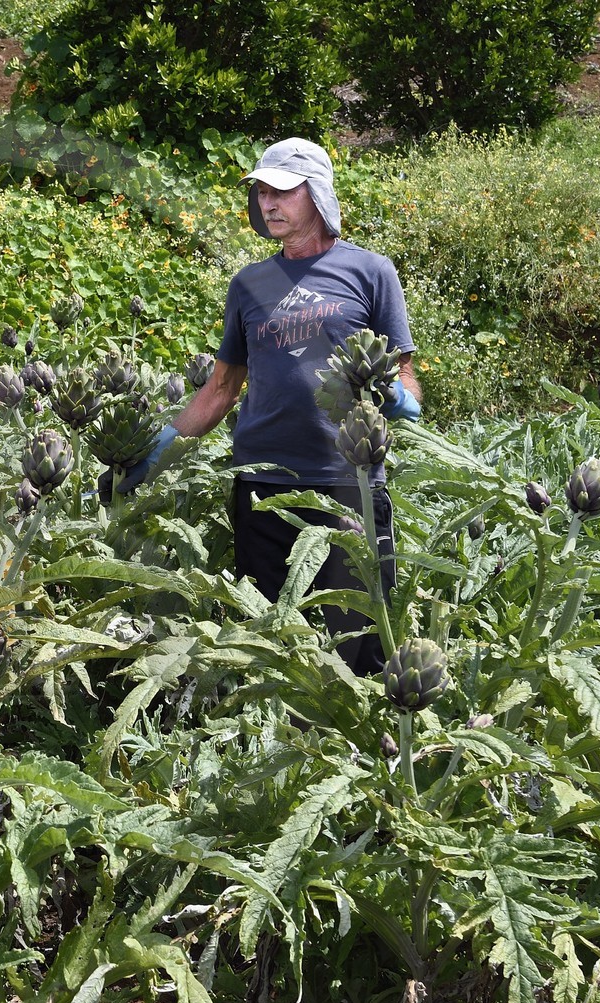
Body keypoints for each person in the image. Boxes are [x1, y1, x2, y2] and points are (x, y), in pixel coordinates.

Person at [142, 138, 422, 671]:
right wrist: (159, 446)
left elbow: (404, 370)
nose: (268, 203)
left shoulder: (370, 272)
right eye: (262, 193)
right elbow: (221, 389)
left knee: (360, 636)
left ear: (316, 195)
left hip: (349, 484)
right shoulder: (249, 284)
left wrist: (399, 398)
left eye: (282, 193)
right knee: (267, 645)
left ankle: (360, 748)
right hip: (264, 487)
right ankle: (272, 746)